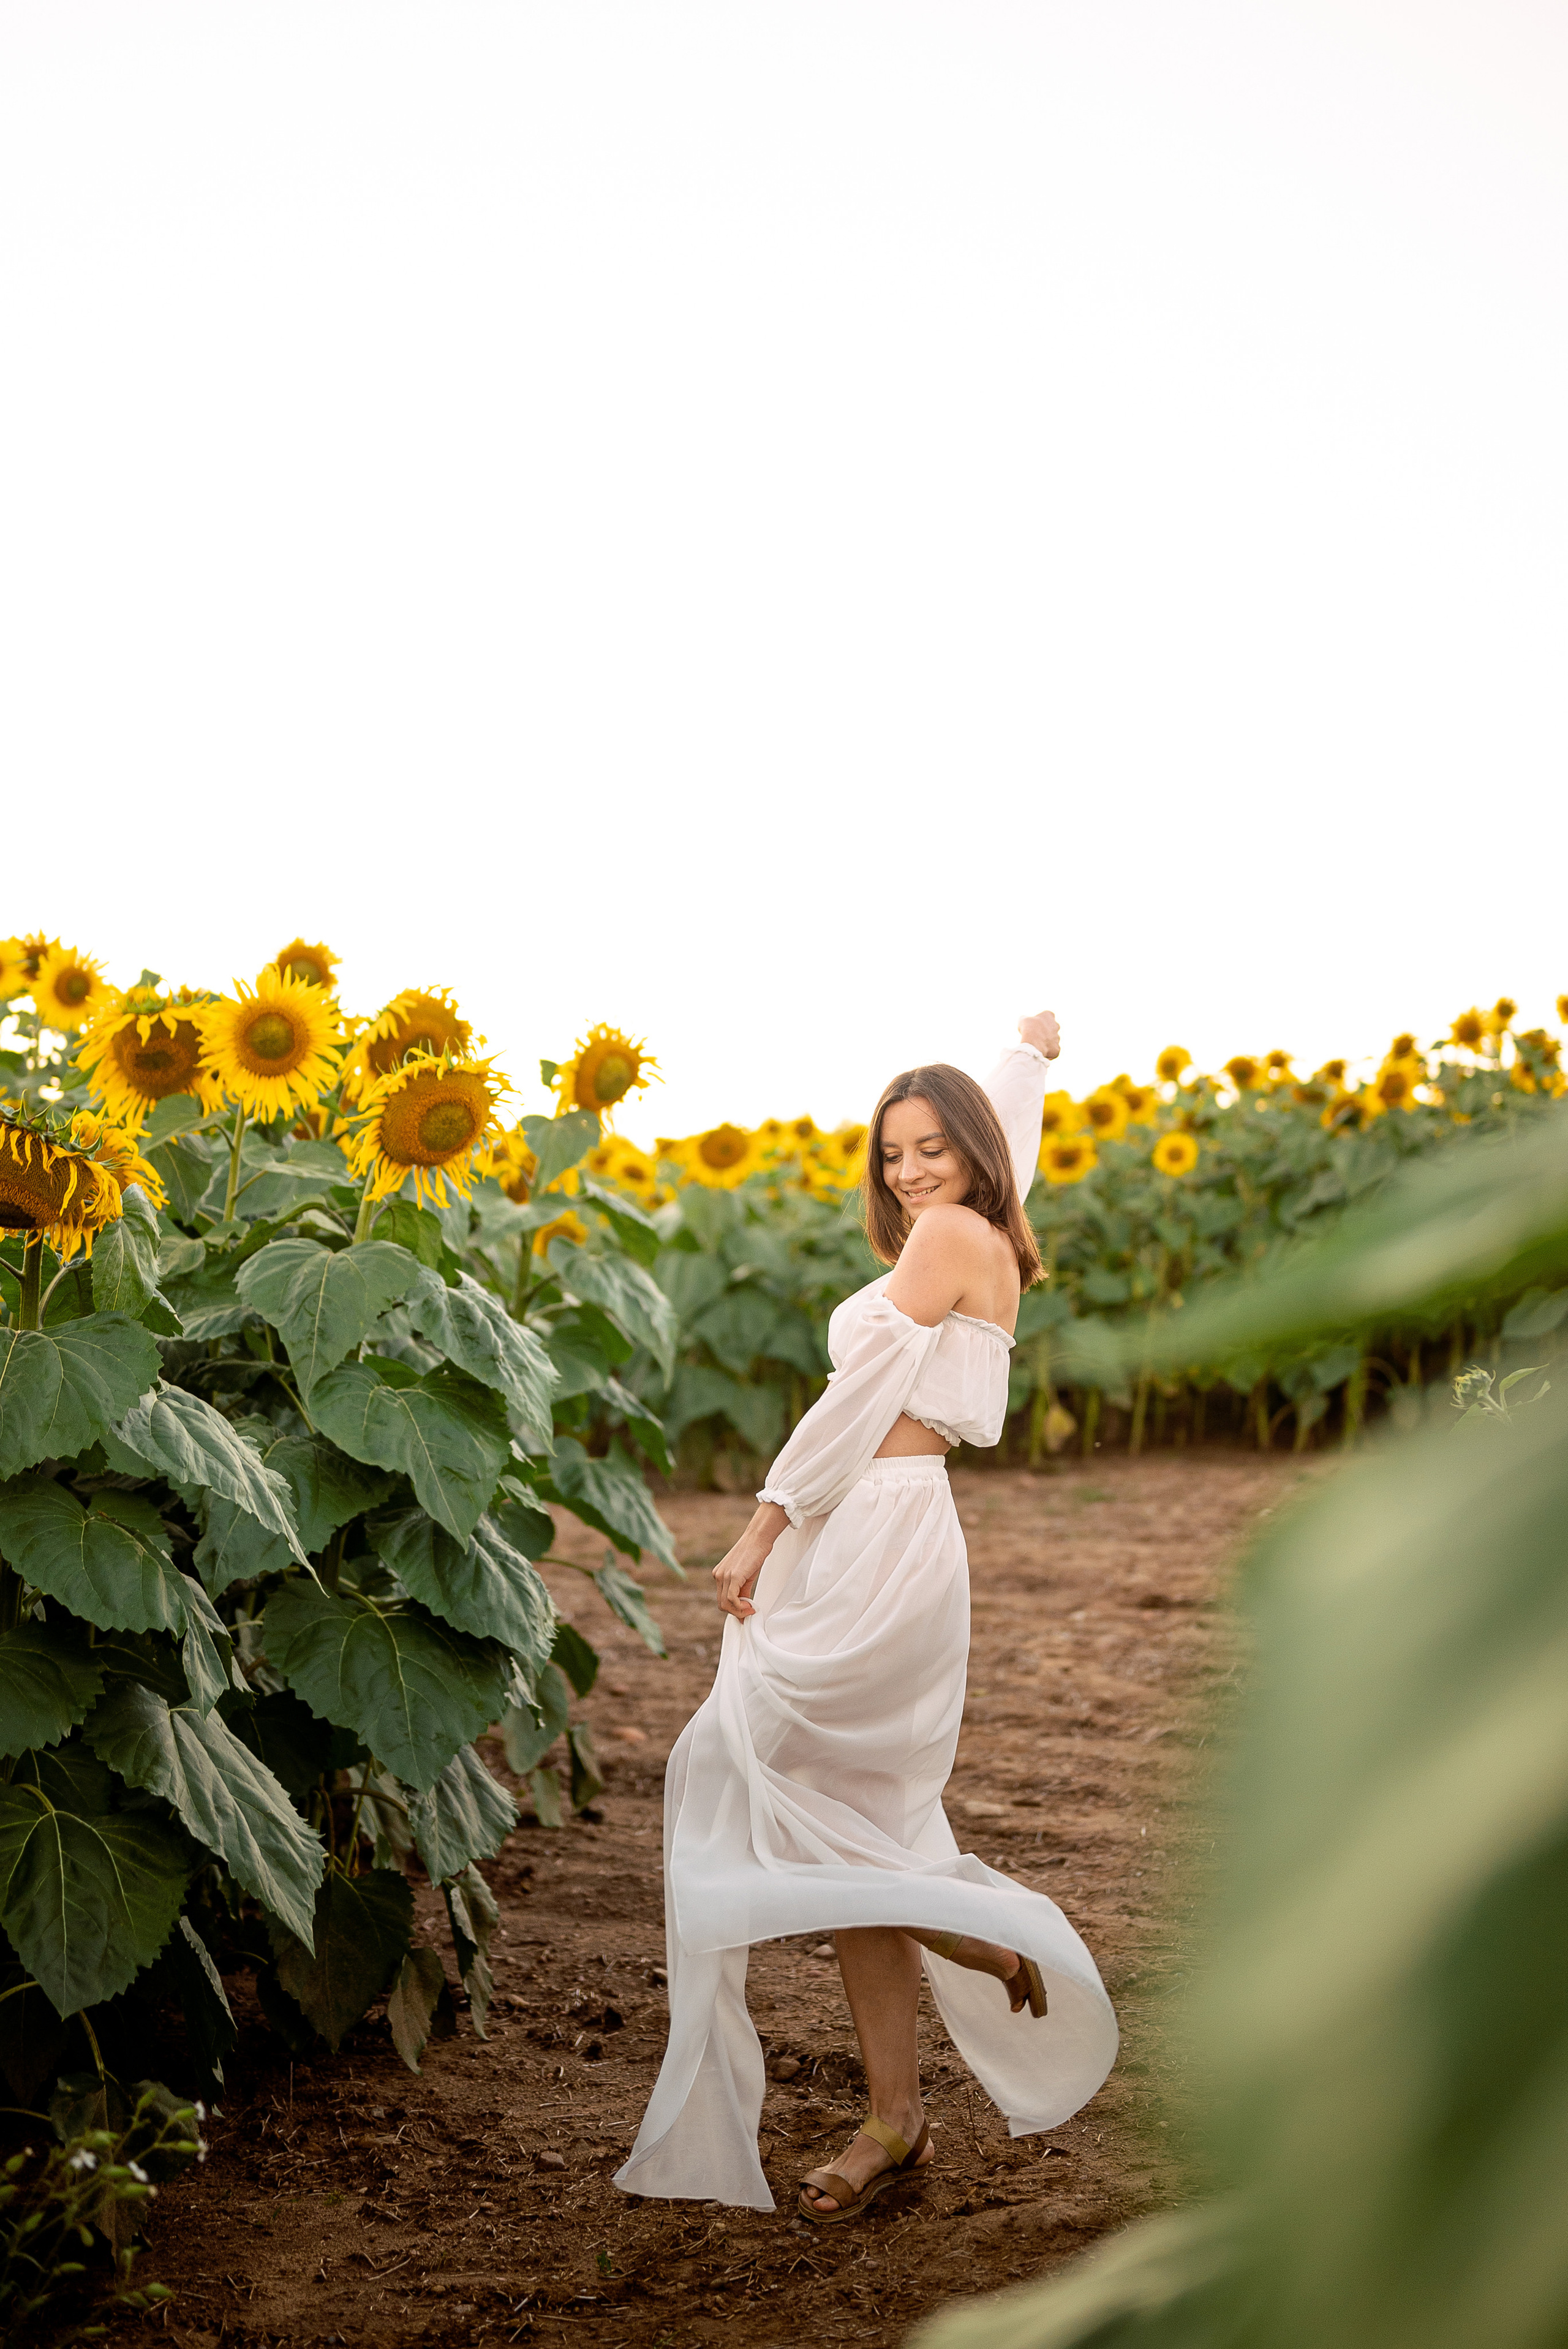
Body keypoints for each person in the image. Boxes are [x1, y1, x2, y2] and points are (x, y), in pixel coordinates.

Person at [614, 1013, 1117, 2223]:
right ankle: (896, 2117)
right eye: (891, 1151)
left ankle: (981, 1939)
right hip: (892, 1529)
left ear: (969, 1158)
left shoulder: (948, 1234)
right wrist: (1027, 1058)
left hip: (874, 1528)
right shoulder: (980, 1227)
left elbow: (853, 1402)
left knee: (756, 1778)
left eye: (933, 1146)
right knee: (847, 1808)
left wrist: (762, 1521)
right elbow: (1013, 1139)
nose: (908, 1171)